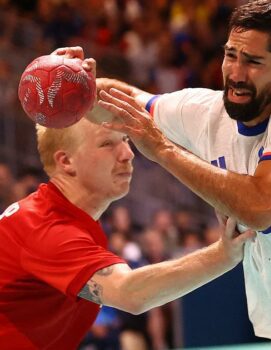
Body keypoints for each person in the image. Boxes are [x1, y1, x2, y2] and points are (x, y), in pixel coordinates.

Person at [92, 1, 271, 349]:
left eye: (254, 62)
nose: (237, 73)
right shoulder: (206, 112)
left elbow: (260, 206)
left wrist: (164, 151)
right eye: (232, 55)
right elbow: (129, 101)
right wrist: (72, 83)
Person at [0, 48, 255, 350]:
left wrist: (80, 86)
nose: (128, 154)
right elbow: (131, 293)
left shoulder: (71, 221)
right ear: (65, 162)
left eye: (126, 140)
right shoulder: (46, 229)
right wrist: (223, 255)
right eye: (108, 143)